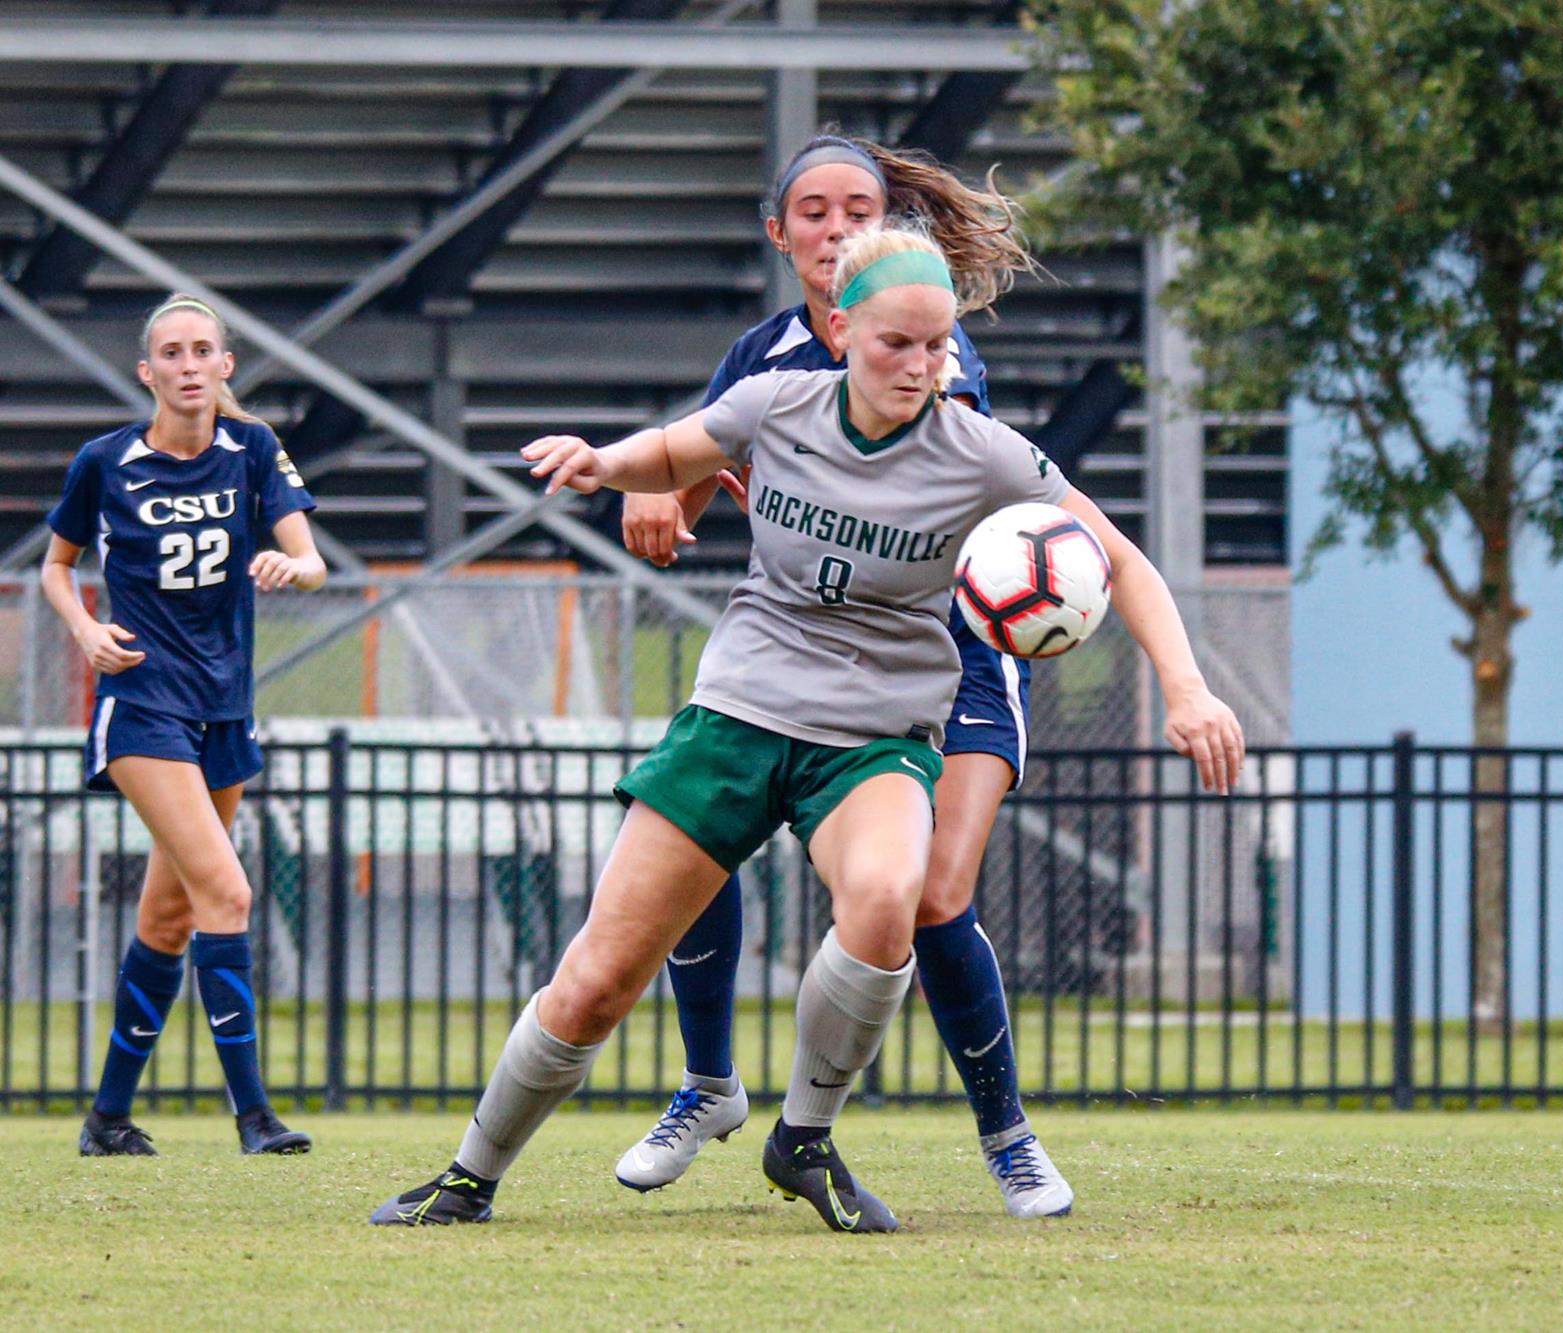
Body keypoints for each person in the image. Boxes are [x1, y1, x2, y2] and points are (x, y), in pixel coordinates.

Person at [370, 226, 1243, 1232]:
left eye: (936, 345)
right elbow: (672, 452)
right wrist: (599, 462)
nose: (919, 366)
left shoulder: (983, 453)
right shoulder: (773, 405)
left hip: (877, 732)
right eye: (894, 343)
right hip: (740, 711)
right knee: (599, 980)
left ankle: (804, 1137)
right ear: (840, 329)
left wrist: (1186, 686)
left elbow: (1121, 561)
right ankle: (469, 1176)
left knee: (883, 900)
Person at [615, 133, 1076, 1218]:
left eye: (855, 208)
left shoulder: (920, 338)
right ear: (778, 235)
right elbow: (684, 476)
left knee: (931, 893)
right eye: (811, 212)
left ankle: (1005, 1132)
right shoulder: (761, 356)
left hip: (946, 654)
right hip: (795, 659)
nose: (833, 229)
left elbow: (982, 487)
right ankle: (707, 1084)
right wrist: (649, 496)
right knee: (696, 831)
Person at [44, 293, 326, 1157]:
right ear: (149, 371)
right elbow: (56, 566)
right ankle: (253, 1116)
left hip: (224, 708)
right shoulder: (106, 461)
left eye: (205, 348)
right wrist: (87, 629)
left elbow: (311, 561)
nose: (190, 363)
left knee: (169, 919)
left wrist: (293, 563)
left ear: (226, 366)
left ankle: (107, 1119)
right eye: (172, 352)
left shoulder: (252, 450)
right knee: (228, 893)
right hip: (141, 705)